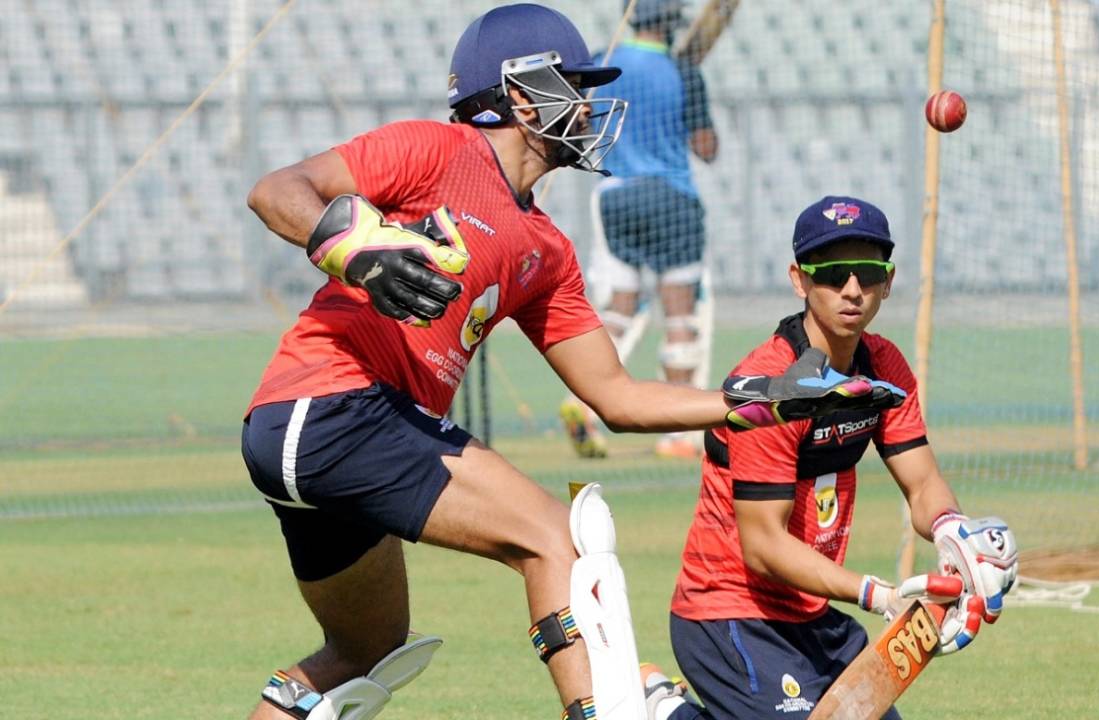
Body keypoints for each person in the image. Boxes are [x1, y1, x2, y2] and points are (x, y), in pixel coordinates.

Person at [239, 5, 893, 718]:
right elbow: (276, 191)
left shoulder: (545, 250)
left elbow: (616, 397)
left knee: (364, 649)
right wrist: (357, 250)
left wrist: (760, 396)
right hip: (332, 407)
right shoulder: (436, 148)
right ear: (522, 94)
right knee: (560, 541)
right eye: (574, 85)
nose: (588, 106)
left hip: (306, 435)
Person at [644, 197, 1020, 720]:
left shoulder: (884, 366)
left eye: (867, 273)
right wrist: (877, 594)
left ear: (887, 282)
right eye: (832, 274)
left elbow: (922, 482)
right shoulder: (768, 386)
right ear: (800, 280)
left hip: (810, 610)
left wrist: (953, 530)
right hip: (728, 613)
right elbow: (763, 547)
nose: (852, 290)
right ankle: (659, 712)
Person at [560, 0, 719, 460]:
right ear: (670, 22)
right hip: (671, 195)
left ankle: (581, 401)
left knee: (619, 306)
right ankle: (678, 436)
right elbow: (705, 147)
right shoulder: (682, 70)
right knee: (681, 316)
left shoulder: (602, 59)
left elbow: (579, 126)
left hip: (616, 197)